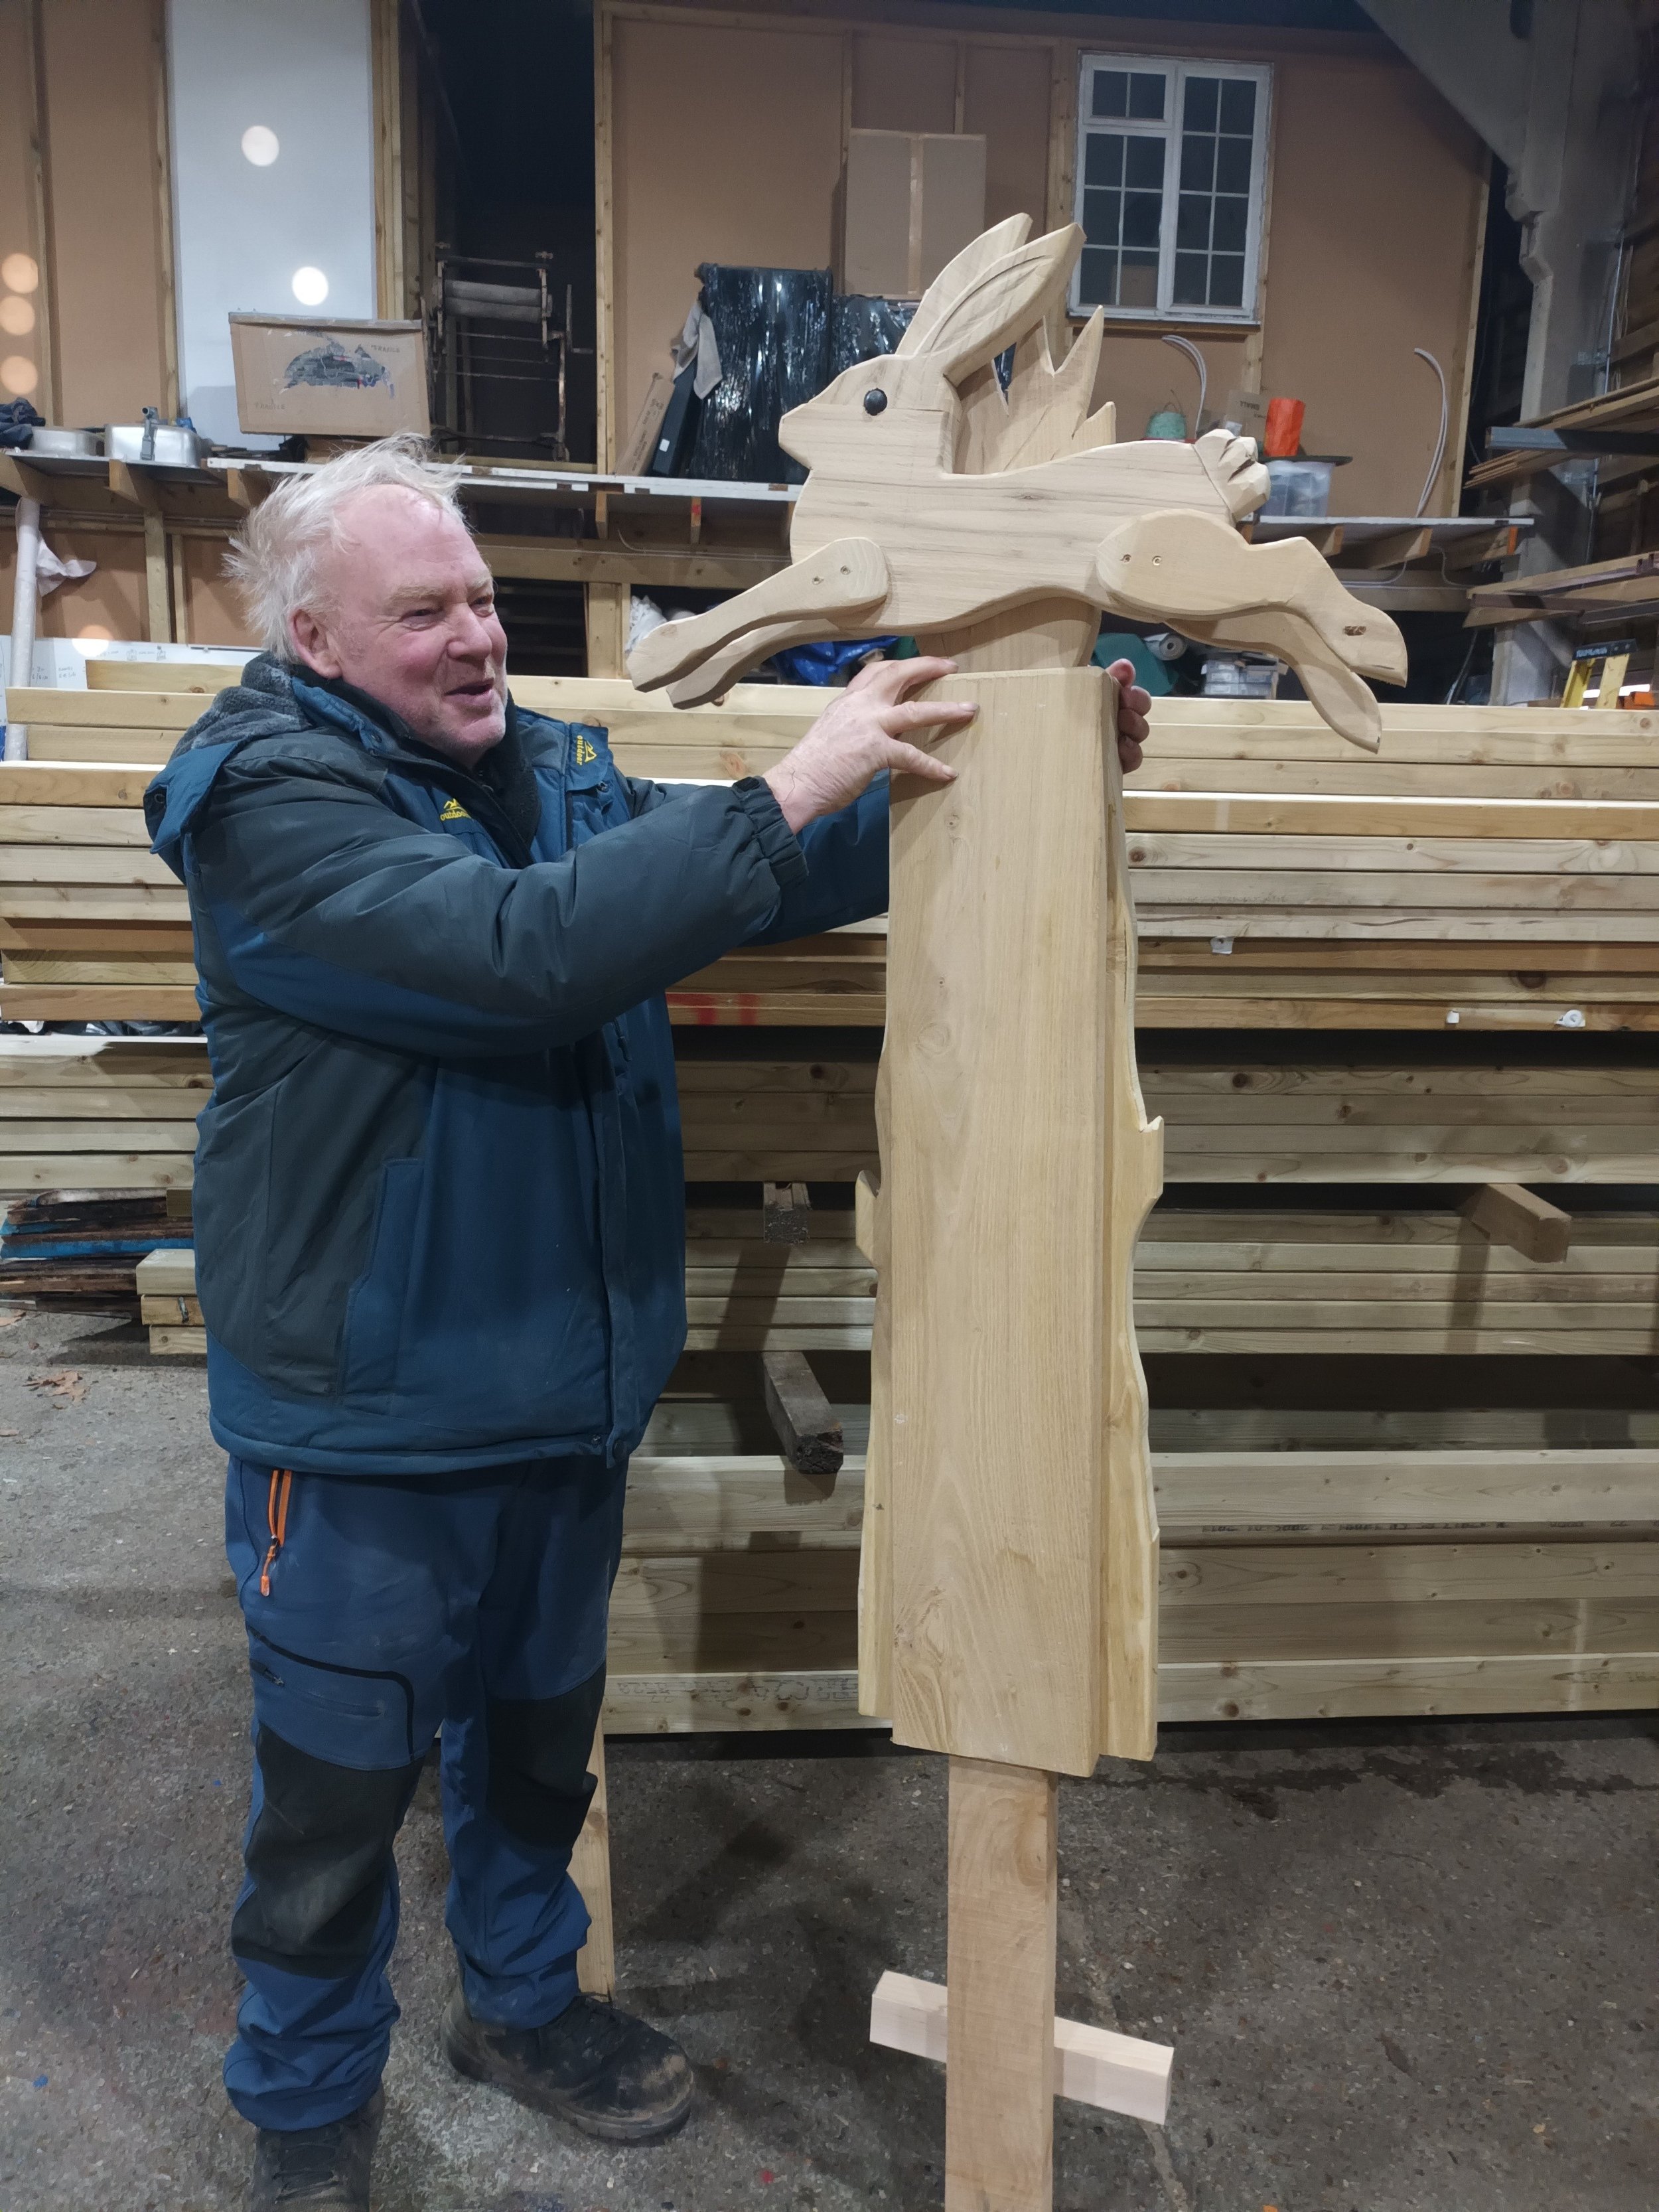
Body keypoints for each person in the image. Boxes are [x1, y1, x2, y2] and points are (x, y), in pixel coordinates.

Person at [144, 435, 1153, 2211]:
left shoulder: (536, 767)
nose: (474, 637)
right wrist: (786, 776)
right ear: (314, 639)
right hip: (372, 1416)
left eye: (480, 600)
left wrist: (1020, 772)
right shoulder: (268, 804)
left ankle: (525, 2009)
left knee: (535, 1749)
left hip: (555, 1382)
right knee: (332, 1802)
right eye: (422, 612)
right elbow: (524, 952)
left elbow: (739, 878)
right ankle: (303, 2110)